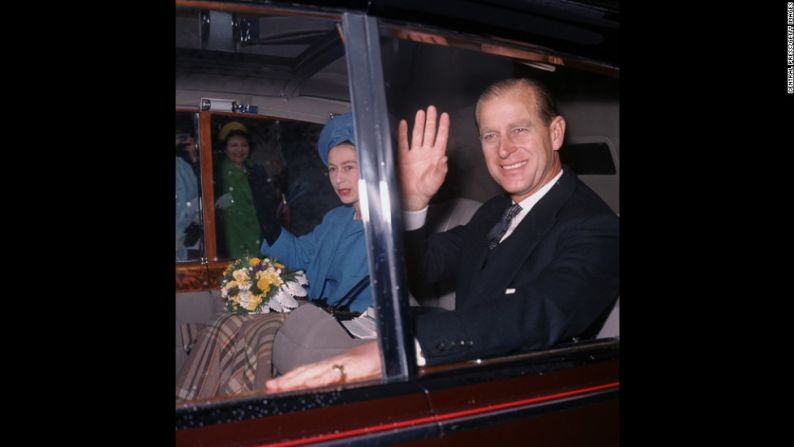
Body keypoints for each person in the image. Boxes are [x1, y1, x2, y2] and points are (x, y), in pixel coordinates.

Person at [265, 77, 619, 393]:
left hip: (522, 395)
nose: (504, 149)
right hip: (464, 373)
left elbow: (539, 310)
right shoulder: (495, 211)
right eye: (490, 135)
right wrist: (414, 204)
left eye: (520, 130)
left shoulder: (595, 224)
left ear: (555, 133)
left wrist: (408, 345)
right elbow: (428, 266)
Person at [176, 113, 372, 401]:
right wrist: (270, 225)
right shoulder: (336, 218)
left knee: (253, 328)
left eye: (348, 167)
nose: (338, 179)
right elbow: (299, 255)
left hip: (345, 327)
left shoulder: (384, 226)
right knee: (228, 321)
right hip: (316, 314)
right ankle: (194, 400)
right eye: (332, 169)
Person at [214, 122, 280, 258]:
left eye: (244, 145)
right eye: (234, 145)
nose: (239, 150)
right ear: (225, 148)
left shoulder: (256, 171)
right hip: (234, 243)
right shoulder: (218, 174)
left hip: (260, 241)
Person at [175, 128, 200, 261]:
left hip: (182, 246)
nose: (180, 141)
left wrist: (195, 159)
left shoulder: (184, 165)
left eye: (183, 137)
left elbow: (197, 197)